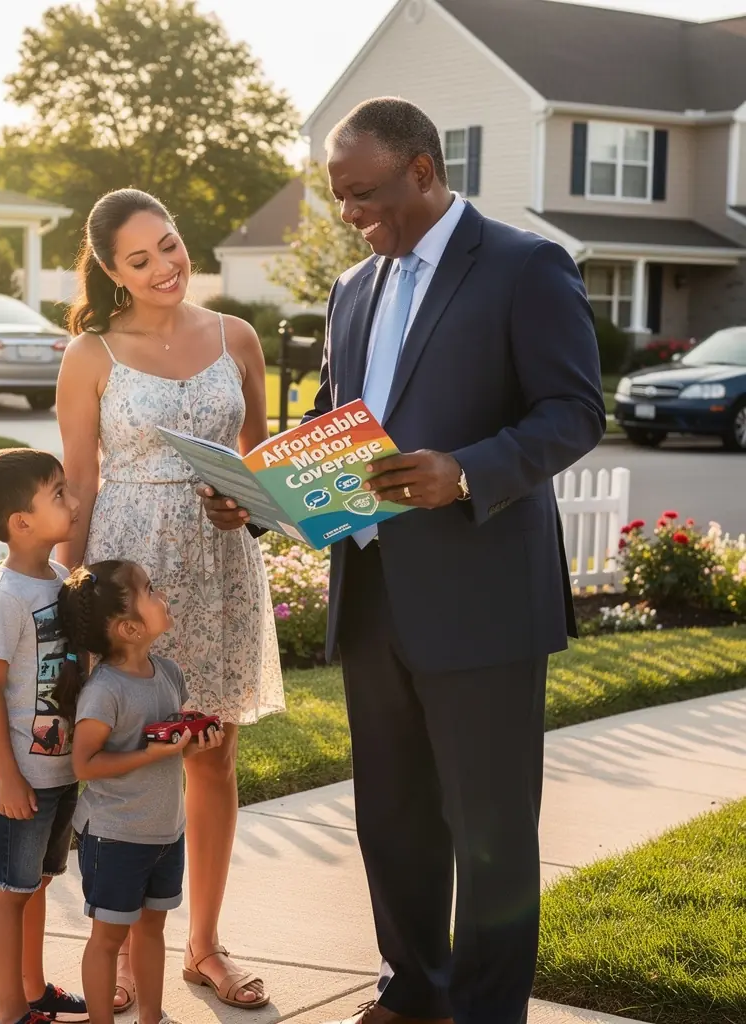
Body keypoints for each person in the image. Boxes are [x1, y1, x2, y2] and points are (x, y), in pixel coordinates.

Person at [201, 97, 606, 1024]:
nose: (351, 215)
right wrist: (259, 499)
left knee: (491, 835)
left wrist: (465, 471)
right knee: (393, 820)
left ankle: (486, 1011)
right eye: (340, 198)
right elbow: (337, 425)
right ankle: (412, 989)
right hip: (376, 594)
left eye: (365, 194)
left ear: (424, 170)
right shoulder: (354, 287)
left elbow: (576, 411)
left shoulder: (524, 266)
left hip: (484, 602)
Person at [57, 189, 283, 1011]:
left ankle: (204, 946)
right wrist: (66, 606)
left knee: (212, 751)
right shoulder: (90, 355)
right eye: (141, 258)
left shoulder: (239, 337)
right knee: (131, 756)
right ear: (112, 272)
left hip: (220, 568)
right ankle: (121, 948)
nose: (165, 266)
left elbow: (262, 462)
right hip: (130, 573)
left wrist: (248, 501)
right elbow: (78, 484)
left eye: (172, 245)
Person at [58, 559, 225, 1024]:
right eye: (150, 590)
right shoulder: (105, 692)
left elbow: (168, 752)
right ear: (130, 628)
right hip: (116, 836)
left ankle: (151, 1017)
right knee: (109, 939)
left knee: (153, 932)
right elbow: (85, 764)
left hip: (165, 832)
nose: (161, 594)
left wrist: (193, 746)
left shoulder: (168, 673)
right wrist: (153, 755)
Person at [0, 448, 89, 1024]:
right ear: (22, 522)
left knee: (36, 883)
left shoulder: (60, 579)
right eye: (58, 493)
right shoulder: (3, 597)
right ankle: (10, 1012)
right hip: (14, 777)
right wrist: (10, 778)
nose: (73, 500)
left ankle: (35, 991)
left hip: (57, 770)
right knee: (10, 891)